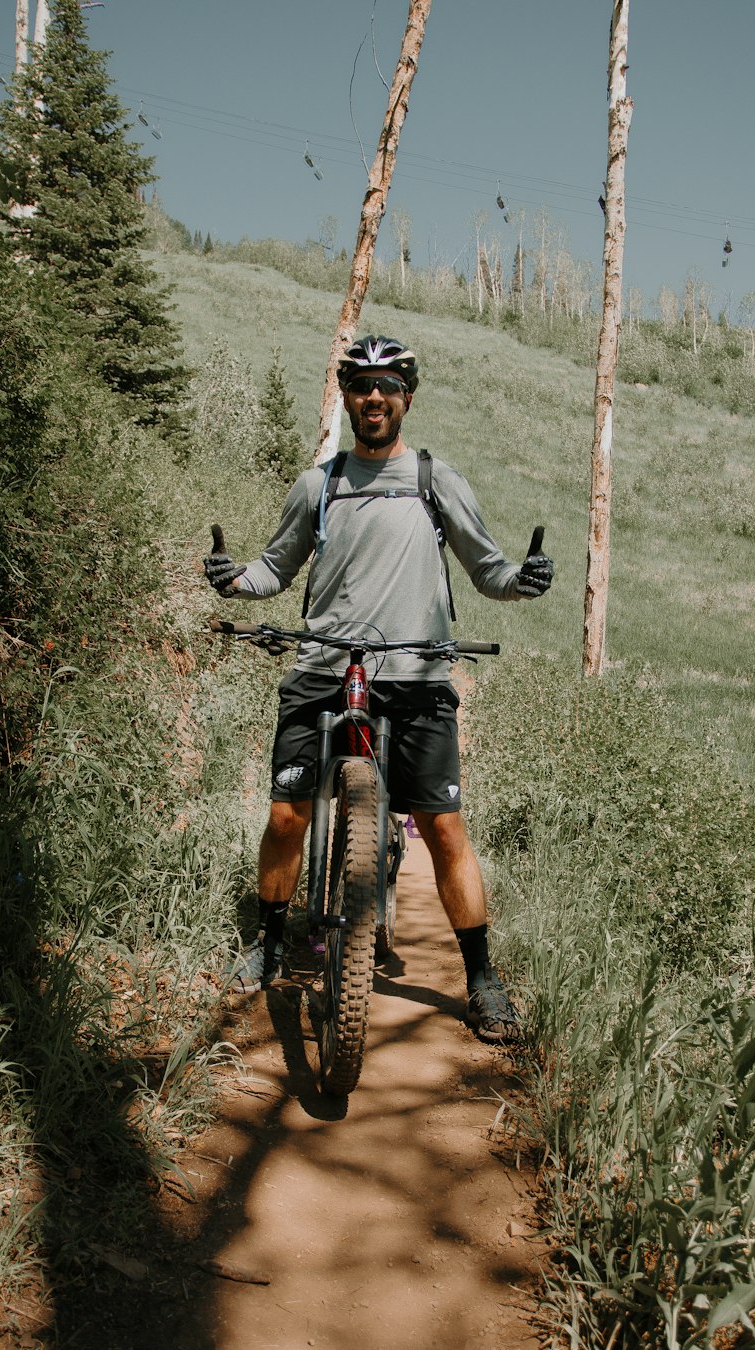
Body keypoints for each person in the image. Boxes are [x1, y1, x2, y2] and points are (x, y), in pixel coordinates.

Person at [203, 335, 553, 1042]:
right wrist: (236, 580)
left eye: (387, 386)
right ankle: (271, 941)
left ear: (406, 398)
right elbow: (276, 568)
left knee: (445, 831)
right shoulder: (319, 484)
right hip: (322, 668)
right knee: (286, 817)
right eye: (361, 385)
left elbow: (487, 568)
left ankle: (482, 979)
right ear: (348, 398)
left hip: (417, 674)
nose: (374, 398)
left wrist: (521, 581)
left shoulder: (434, 479)